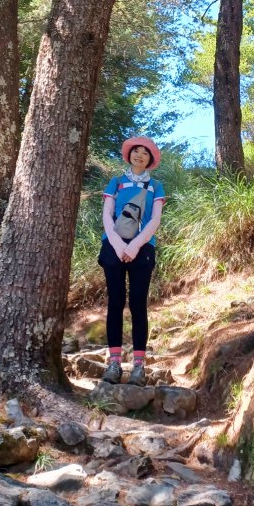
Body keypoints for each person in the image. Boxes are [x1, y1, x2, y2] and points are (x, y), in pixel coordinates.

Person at [98, 135, 165, 386]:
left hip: (143, 249)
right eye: (135, 151)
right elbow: (106, 214)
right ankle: (113, 363)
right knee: (115, 302)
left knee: (138, 304)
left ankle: (139, 366)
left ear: (150, 159)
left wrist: (135, 245)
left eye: (144, 153)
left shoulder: (156, 186)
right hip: (113, 247)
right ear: (129, 155)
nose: (139, 155)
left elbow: (154, 220)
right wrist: (117, 244)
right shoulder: (115, 182)